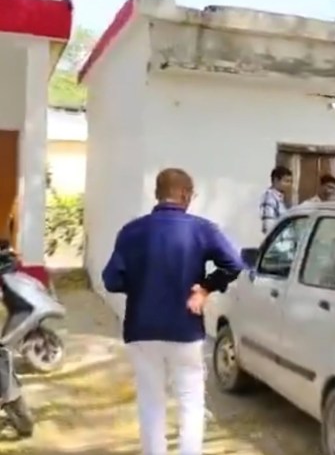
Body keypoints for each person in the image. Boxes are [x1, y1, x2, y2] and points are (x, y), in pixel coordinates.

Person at [102, 168, 245, 455]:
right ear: (184, 194)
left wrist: (142, 284)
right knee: (191, 402)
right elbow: (234, 264)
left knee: (151, 402)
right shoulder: (202, 229)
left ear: (157, 194)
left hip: (141, 329)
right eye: (191, 194)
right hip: (185, 327)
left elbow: (111, 280)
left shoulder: (131, 232)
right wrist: (204, 288)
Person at [260, 166, 293, 234]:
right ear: (276, 180)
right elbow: (269, 226)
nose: (289, 185)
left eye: (290, 182)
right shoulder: (270, 198)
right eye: (286, 181)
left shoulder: (280, 198)